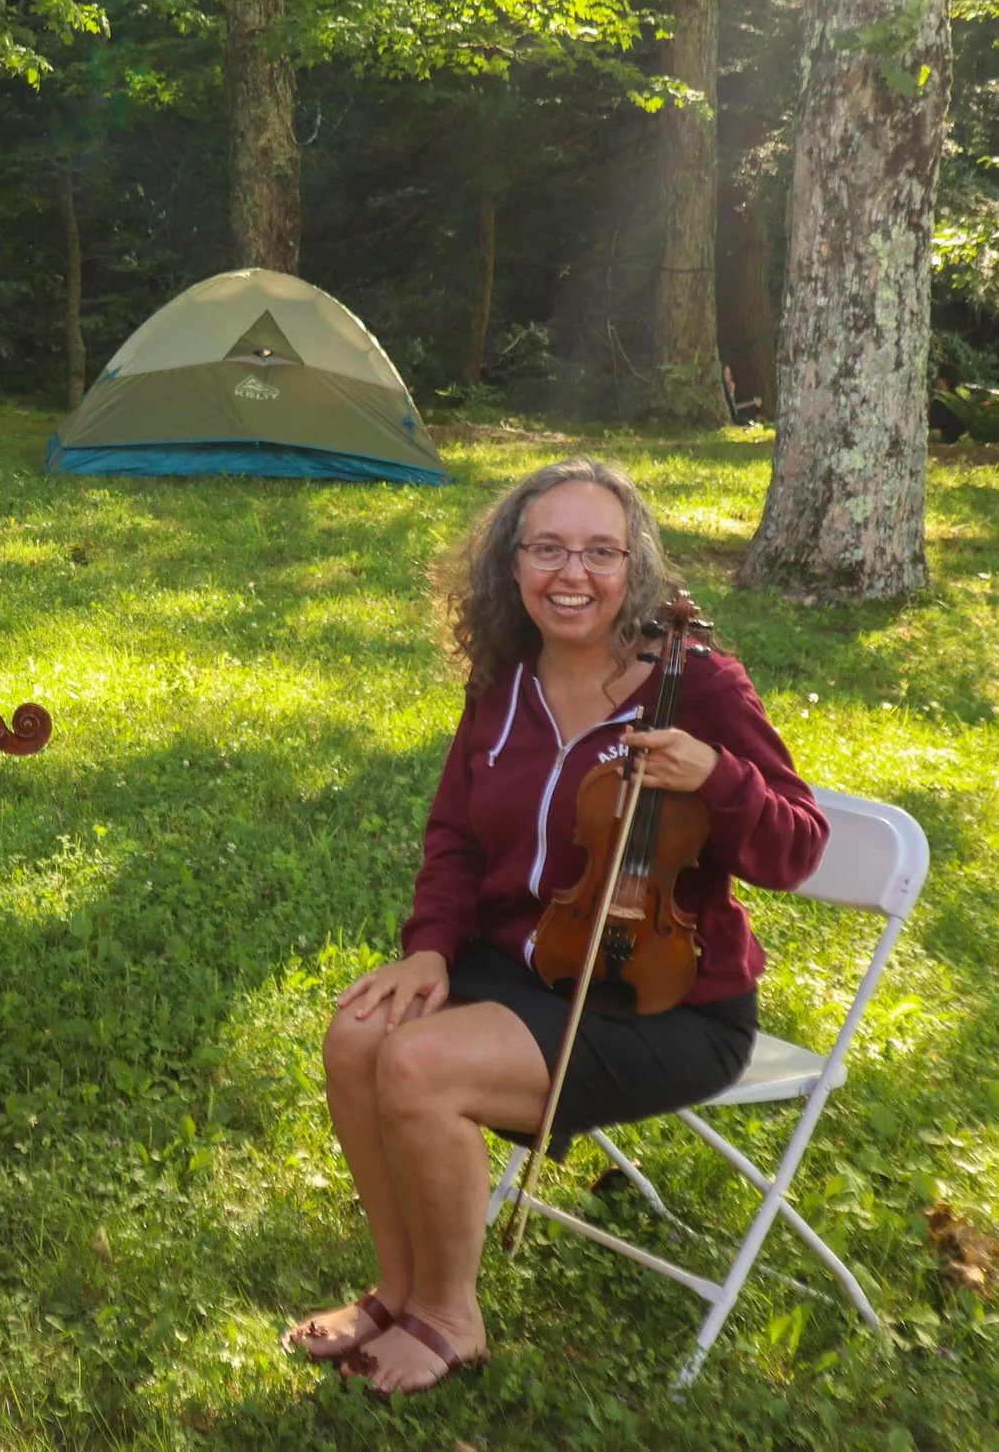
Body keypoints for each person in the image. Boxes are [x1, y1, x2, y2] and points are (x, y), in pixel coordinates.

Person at [283, 457, 827, 1396]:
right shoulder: (504, 679)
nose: (571, 573)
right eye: (547, 548)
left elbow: (797, 847)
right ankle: (399, 1287)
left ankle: (453, 1320)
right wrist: (430, 945)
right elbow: (454, 831)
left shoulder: (698, 686)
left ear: (636, 568)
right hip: (521, 968)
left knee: (420, 1064)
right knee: (357, 1033)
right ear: (512, 562)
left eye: (600, 551)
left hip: (661, 1000)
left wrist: (715, 775)